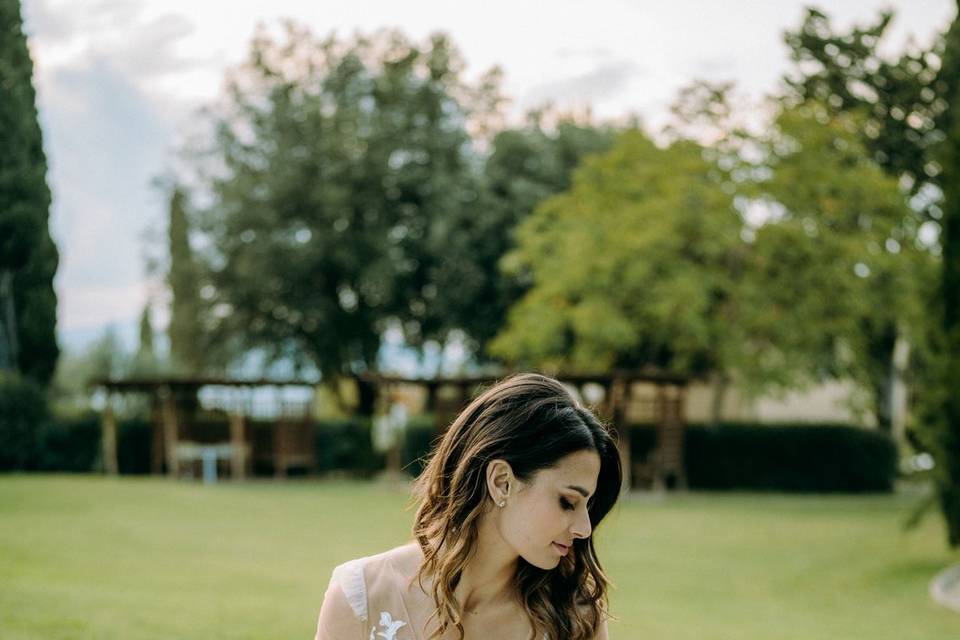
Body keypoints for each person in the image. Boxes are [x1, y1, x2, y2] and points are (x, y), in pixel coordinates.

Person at [314, 373, 623, 640]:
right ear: (502, 481)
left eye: (588, 505)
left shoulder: (574, 616)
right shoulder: (362, 596)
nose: (584, 528)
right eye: (567, 502)